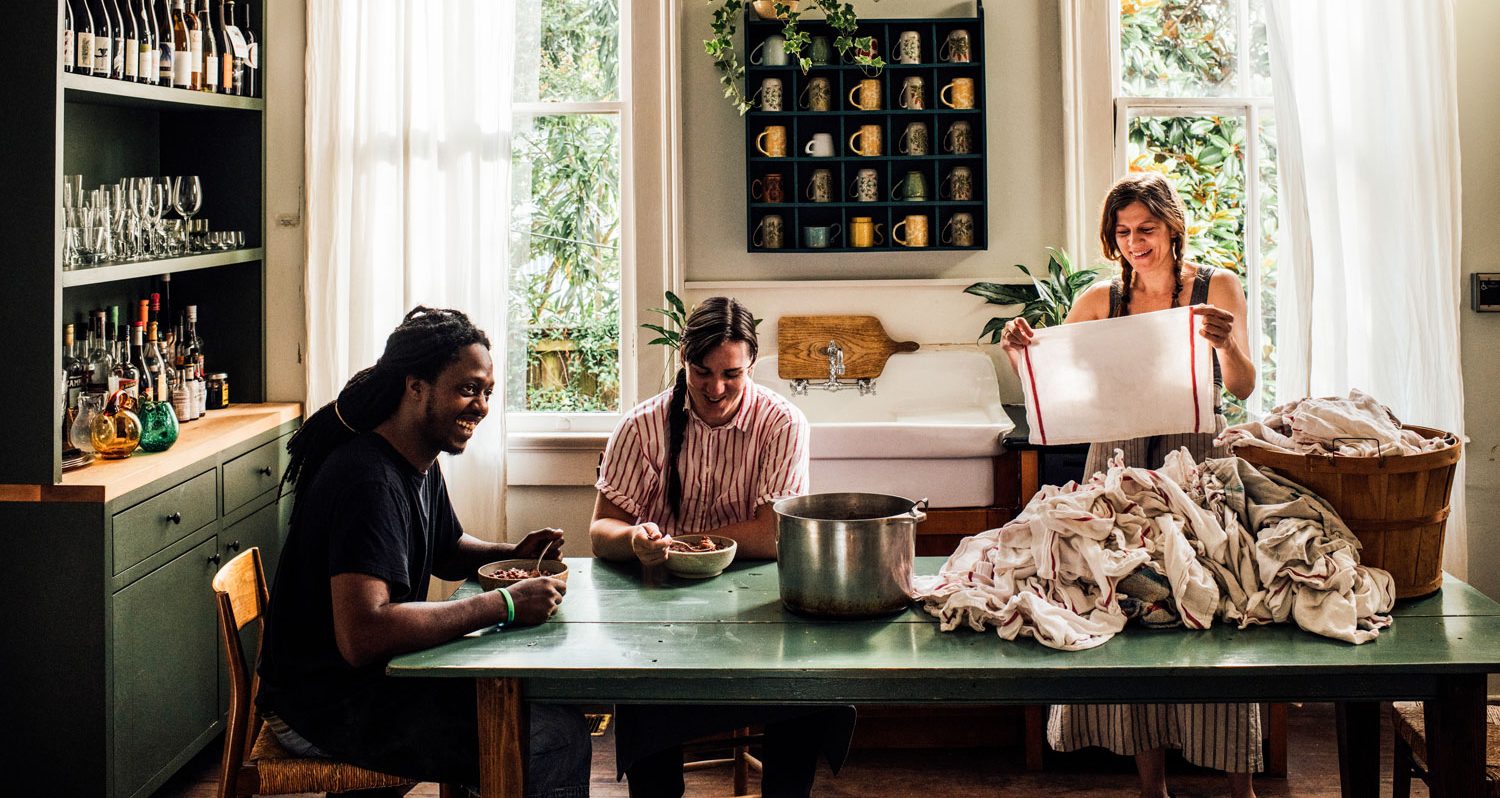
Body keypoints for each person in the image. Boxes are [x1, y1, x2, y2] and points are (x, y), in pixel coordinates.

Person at [257, 306, 591, 797]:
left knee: (518, 705)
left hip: (362, 686)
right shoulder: (368, 481)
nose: (480, 406)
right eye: (468, 389)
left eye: (487, 392)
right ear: (416, 387)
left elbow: (447, 550)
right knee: (554, 734)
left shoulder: (417, 458)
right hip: (325, 705)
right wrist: (506, 603)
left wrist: (513, 553)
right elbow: (363, 634)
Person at [1001, 172, 1259, 798]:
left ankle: (1241, 786)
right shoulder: (1098, 301)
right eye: (1122, 232)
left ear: (1173, 227)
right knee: (1133, 602)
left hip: (1194, 457)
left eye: (1147, 228)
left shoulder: (1216, 287)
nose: (1135, 242)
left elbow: (1244, 386)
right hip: (1116, 460)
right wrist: (1020, 351)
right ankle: (1152, 788)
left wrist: (1227, 346)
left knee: (1214, 601)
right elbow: (1058, 391)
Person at [590, 296, 856, 798]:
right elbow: (602, 529)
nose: (715, 389)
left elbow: (773, 533)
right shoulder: (641, 425)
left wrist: (686, 543)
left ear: (752, 365)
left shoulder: (782, 423)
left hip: (758, 608)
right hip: (660, 611)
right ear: (683, 359)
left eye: (732, 374)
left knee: (804, 689)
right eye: (702, 372)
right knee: (645, 698)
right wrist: (635, 540)